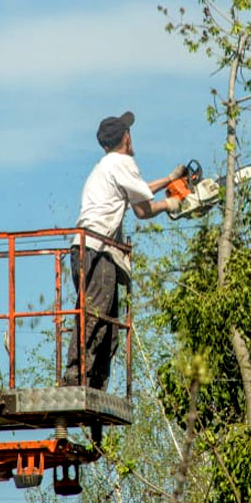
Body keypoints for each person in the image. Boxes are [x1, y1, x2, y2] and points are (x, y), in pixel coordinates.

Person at [63, 110, 184, 390]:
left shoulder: (107, 167)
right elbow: (144, 209)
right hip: (97, 249)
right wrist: (170, 205)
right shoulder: (122, 162)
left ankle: (93, 384)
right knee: (95, 317)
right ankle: (75, 381)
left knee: (108, 325)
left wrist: (169, 180)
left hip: (85, 249)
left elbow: (139, 197)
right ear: (126, 138)